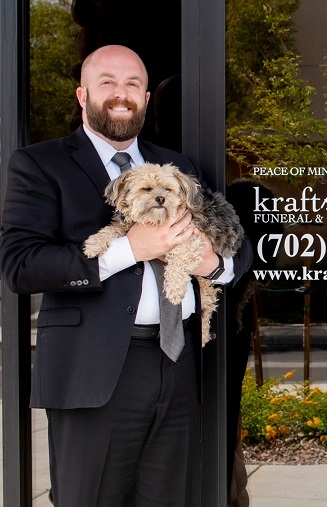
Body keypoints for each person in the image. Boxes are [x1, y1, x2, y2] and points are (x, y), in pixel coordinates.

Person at [0, 45, 252, 506]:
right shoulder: (39, 164)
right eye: (108, 83)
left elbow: (235, 250)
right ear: (83, 95)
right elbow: (21, 264)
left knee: (171, 498)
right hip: (93, 371)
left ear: (147, 97)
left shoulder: (179, 167)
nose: (121, 94)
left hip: (178, 367)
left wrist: (212, 266)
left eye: (133, 84)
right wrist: (129, 250)